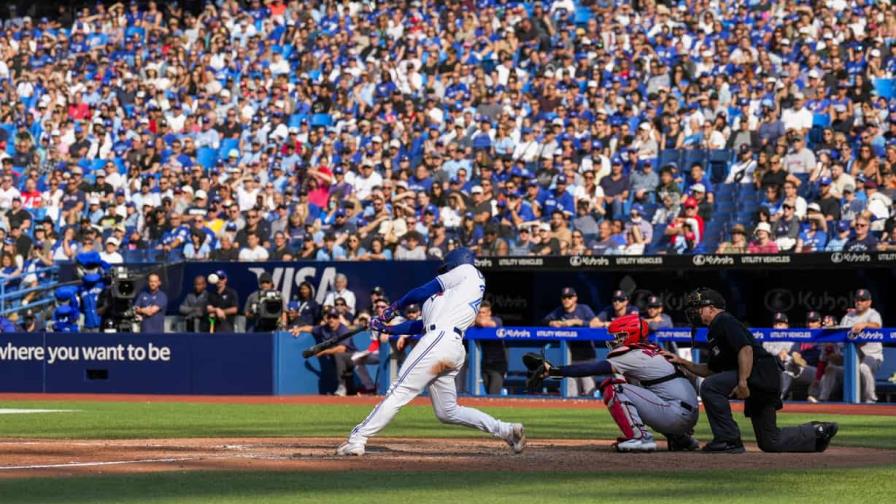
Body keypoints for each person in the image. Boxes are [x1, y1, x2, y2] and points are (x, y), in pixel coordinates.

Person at [335, 248, 525, 456]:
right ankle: (507, 430)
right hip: (449, 346)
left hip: (441, 340)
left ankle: (357, 438)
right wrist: (387, 329)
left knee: (398, 391)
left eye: (445, 268)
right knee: (447, 411)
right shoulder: (447, 298)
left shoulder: (468, 271)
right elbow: (420, 326)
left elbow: (425, 289)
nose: (443, 272)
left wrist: (394, 306)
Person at [664, 288, 838, 453]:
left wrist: (742, 382)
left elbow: (745, 349)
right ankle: (817, 433)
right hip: (762, 375)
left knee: (710, 387)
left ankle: (728, 440)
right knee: (770, 442)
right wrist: (681, 361)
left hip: (760, 373)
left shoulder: (723, 320)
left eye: (698, 308)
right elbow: (711, 369)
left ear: (711, 308)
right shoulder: (714, 330)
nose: (694, 312)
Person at [532, 314, 699, 452]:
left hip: (675, 413)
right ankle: (680, 438)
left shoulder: (632, 354)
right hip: (685, 413)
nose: (615, 340)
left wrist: (554, 371)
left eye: (620, 336)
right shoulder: (654, 349)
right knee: (635, 384)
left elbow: (593, 369)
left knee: (614, 387)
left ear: (631, 335)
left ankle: (640, 438)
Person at [542, 287, 597, 396]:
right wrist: (552, 323)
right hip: (569, 358)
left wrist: (576, 322)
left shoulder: (583, 309)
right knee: (571, 394)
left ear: (575, 298)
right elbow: (545, 320)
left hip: (587, 357)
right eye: (564, 297)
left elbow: (595, 324)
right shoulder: (559, 311)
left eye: (569, 297)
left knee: (589, 391)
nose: (566, 300)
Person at [840, 289, 884, 403]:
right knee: (832, 369)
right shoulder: (849, 316)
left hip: (872, 355)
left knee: (864, 368)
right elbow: (840, 333)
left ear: (869, 302)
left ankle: (870, 400)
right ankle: (823, 401)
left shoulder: (873, 314)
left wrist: (865, 324)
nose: (859, 302)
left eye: (863, 300)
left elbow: (877, 326)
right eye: (857, 299)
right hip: (852, 355)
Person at [310, 306, 358, 397]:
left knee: (338, 355)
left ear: (338, 319)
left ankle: (342, 386)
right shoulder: (324, 328)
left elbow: (342, 349)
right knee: (338, 357)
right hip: (340, 361)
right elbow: (310, 328)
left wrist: (323, 352)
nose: (331, 319)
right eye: (329, 317)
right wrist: (298, 329)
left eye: (334, 317)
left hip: (353, 358)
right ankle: (347, 389)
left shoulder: (343, 329)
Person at [475, 300, 507, 395]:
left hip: (498, 364)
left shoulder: (497, 320)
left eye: (483, 312)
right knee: (488, 394)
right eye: (479, 312)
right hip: (485, 363)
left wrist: (475, 320)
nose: (481, 315)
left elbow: (485, 323)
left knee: (494, 395)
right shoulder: (477, 324)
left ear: (489, 313)